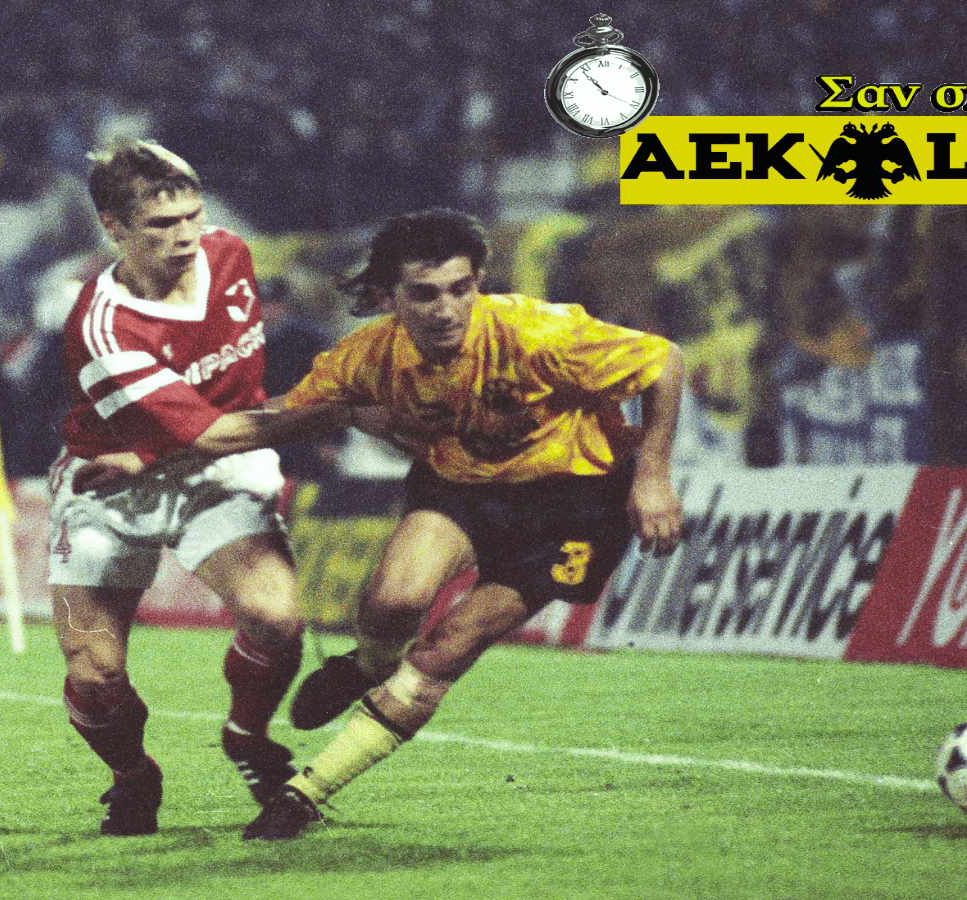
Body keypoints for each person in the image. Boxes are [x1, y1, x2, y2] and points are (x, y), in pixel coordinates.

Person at [94, 208, 685, 840]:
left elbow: (664, 362)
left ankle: (305, 793)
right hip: (463, 486)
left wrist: (652, 476)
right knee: (392, 602)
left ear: (479, 282)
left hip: (575, 506)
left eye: (460, 289)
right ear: (387, 297)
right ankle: (370, 665)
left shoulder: (535, 332)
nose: (446, 310)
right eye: (424, 294)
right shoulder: (369, 358)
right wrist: (146, 455)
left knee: (444, 649)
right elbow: (271, 420)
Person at [47, 139, 309, 836]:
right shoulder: (102, 326)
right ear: (113, 227)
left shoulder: (232, 253)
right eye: (162, 224)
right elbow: (212, 429)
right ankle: (134, 775)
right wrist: (340, 410)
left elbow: (220, 424)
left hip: (213, 473)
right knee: (94, 675)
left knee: (276, 618)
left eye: (193, 215)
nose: (187, 235)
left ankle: (247, 738)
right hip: (110, 488)